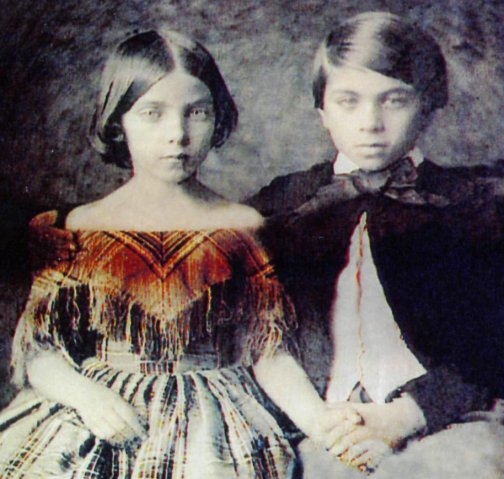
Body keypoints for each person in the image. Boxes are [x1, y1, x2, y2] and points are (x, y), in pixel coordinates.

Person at [0, 29, 371, 478]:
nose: (177, 134)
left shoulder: (240, 228)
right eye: (152, 113)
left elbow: (269, 354)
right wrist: (88, 399)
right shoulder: (79, 230)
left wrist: (320, 423)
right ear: (118, 123)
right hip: (102, 414)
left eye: (196, 113)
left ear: (217, 120)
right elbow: (40, 353)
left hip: (212, 421)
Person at [248, 12, 504, 478]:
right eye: (348, 101)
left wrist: (407, 414)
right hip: (329, 425)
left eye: (394, 100)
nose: (371, 122)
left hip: (455, 422)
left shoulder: (482, 206)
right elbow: (255, 335)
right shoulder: (283, 208)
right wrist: (325, 424)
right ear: (322, 111)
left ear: (428, 106)